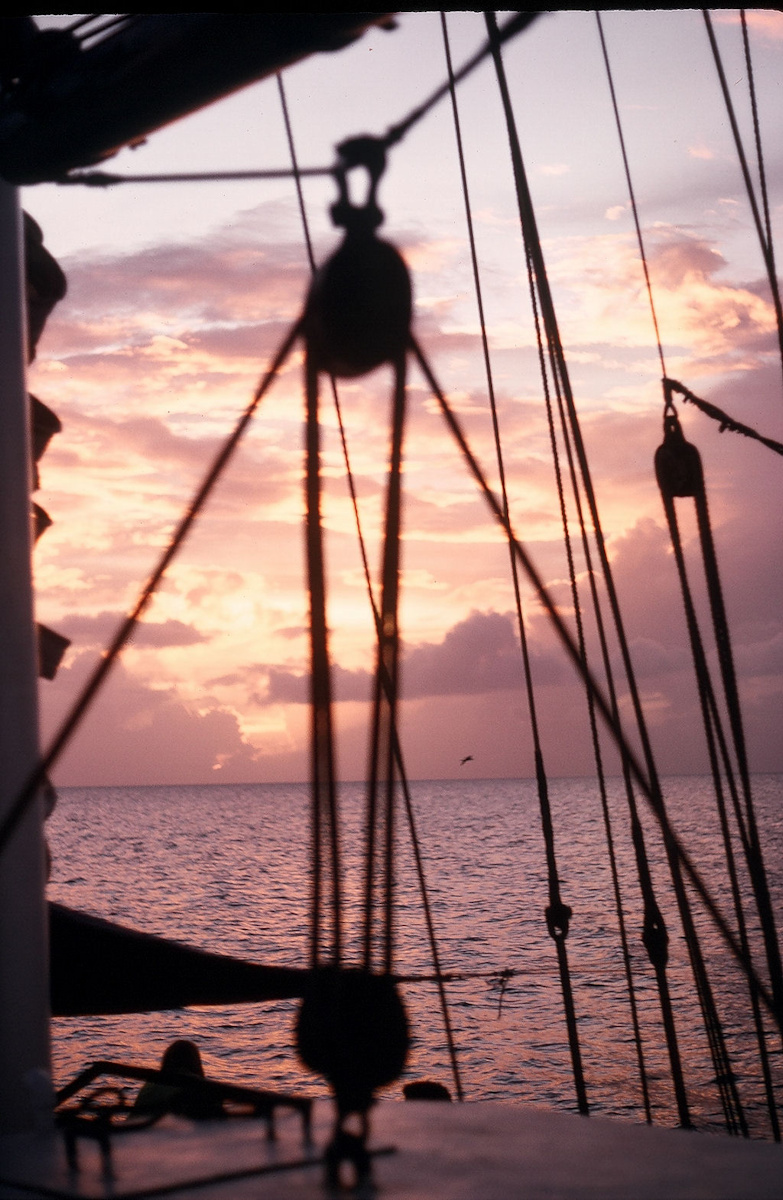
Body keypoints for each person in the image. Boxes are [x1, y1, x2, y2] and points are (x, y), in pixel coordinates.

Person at [132, 1040, 224, 1120]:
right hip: (164, 1135)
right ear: (195, 1062)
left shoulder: (150, 1084)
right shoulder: (197, 1087)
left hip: (133, 1132)